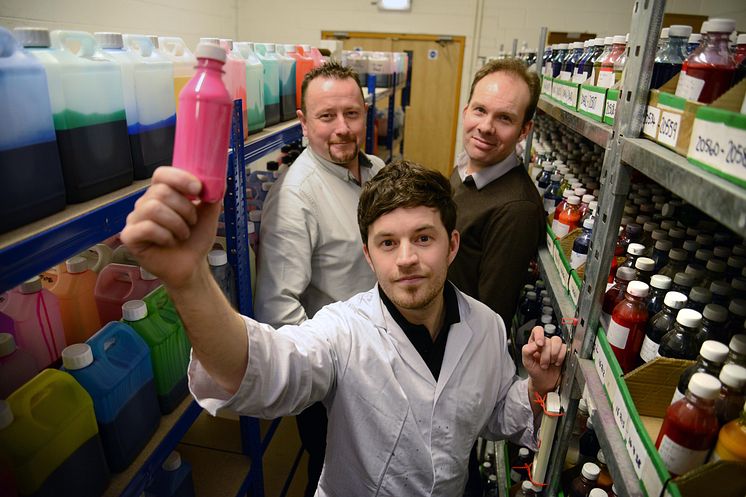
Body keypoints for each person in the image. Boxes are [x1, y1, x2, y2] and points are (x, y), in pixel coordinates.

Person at [121, 159, 566, 496]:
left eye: (423, 238)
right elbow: (262, 367)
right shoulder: (342, 330)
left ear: (451, 246)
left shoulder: (486, 327)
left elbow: (491, 414)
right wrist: (189, 279)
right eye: (388, 243)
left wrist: (534, 389)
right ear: (369, 257)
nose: (407, 258)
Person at [254, 62, 384, 495]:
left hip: (384, 357)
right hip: (337, 382)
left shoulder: (378, 171)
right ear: (303, 123)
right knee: (334, 477)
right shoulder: (296, 198)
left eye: (352, 113)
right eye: (327, 116)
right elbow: (277, 311)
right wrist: (332, 382)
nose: (342, 128)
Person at [448, 58, 545, 324]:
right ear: (466, 111)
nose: (486, 127)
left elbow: (489, 320)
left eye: (504, 118)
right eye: (480, 110)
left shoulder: (516, 209)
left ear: (524, 130)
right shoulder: (464, 167)